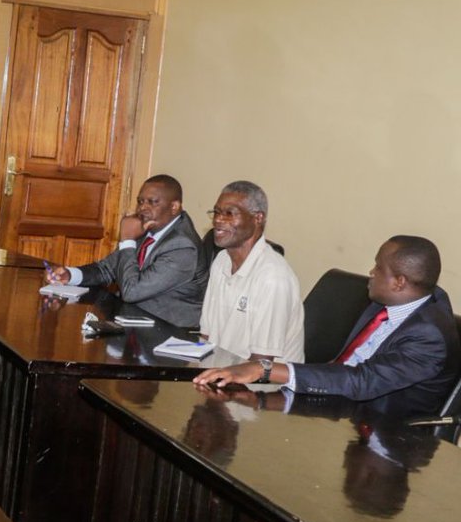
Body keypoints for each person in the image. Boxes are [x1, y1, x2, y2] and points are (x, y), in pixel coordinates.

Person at [195, 236, 461, 415]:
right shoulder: (390, 301)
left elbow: (363, 380)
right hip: (333, 399)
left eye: (378, 268)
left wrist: (264, 369)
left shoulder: (430, 336)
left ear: (399, 282)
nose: (371, 272)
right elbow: (344, 368)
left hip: (382, 434)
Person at [44, 174, 207, 327]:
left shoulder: (182, 246)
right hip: (136, 322)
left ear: (174, 206)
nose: (143, 208)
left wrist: (128, 240)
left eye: (152, 202)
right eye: (140, 201)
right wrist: (70, 275)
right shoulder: (148, 228)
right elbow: (106, 269)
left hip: (168, 334)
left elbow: (132, 291)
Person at [198, 180, 303, 362]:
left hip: (262, 384)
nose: (218, 220)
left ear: (258, 218)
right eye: (216, 212)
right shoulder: (221, 260)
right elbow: (206, 337)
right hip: (220, 373)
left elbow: (261, 363)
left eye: (230, 214)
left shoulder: (273, 277)